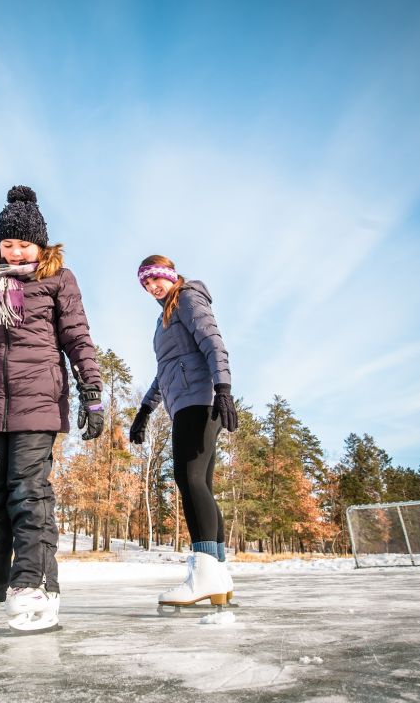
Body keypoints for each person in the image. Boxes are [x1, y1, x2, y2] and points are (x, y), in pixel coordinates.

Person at [0, 185, 104, 634]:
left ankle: (34, 585)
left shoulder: (58, 280)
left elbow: (77, 336)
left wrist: (92, 389)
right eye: (7, 244)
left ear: (41, 245)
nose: (14, 253)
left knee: (29, 494)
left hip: (39, 400)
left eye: (23, 245)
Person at [127, 254, 238, 610]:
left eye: (156, 279)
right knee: (199, 483)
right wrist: (145, 410)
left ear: (171, 275)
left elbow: (212, 341)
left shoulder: (188, 298)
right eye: (145, 283)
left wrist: (223, 388)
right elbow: (165, 371)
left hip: (201, 401)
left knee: (188, 479)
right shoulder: (164, 319)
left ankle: (205, 572)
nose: (152, 287)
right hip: (184, 404)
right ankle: (218, 574)